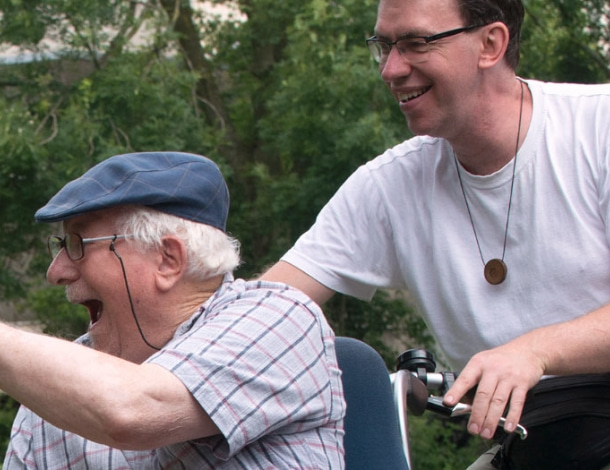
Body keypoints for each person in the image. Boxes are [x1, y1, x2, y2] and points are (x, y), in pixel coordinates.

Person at [261, 0, 610, 467]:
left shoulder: (597, 126)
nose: (390, 69)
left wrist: (536, 351)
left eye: (414, 44)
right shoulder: (389, 186)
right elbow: (266, 310)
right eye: (384, 46)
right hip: (537, 447)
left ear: (491, 44)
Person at [3, 151, 345, 469]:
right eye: (61, 246)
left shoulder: (280, 319)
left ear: (168, 259)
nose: (56, 272)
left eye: (78, 244)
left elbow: (133, 410)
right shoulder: (56, 394)